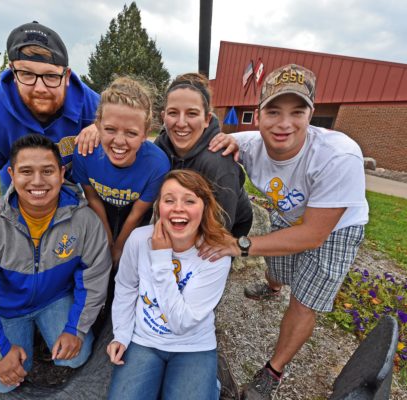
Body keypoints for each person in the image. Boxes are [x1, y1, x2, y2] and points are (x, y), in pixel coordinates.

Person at [211, 64, 369, 399]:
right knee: (278, 266)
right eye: (273, 111)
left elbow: (312, 236)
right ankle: (272, 286)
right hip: (289, 211)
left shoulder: (338, 156)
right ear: (258, 114)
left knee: (303, 301)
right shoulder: (247, 143)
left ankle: (273, 371)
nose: (284, 124)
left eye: (297, 112)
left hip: (336, 225)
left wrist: (239, 245)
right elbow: (204, 140)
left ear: (311, 114)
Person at [0, 134, 112, 393]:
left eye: (47, 171)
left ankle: (42, 333)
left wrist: (75, 328)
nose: (38, 181)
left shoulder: (84, 221)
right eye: (26, 171)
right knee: (3, 384)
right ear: (11, 173)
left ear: (62, 172)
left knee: (76, 355)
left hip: (53, 299)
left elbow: (95, 278)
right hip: (5, 308)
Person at [106, 170, 232, 400]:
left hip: (193, 344)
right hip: (145, 340)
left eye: (189, 201)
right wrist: (121, 335)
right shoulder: (138, 239)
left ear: (204, 207)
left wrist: (162, 258)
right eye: (169, 200)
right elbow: (126, 287)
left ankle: (210, 382)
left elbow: (181, 324)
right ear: (158, 207)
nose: (178, 208)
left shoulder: (216, 255)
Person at [0, 21, 99, 224]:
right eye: (27, 74)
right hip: (21, 189)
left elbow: (123, 124)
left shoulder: (92, 104)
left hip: (70, 186)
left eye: (51, 76)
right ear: (13, 72)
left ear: (67, 75)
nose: (40, 88)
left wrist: (102, 126)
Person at [72, 77, 170, 267]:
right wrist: (108, 240)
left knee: (128, 262)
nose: (119, 141)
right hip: (101, 207)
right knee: (97, 260)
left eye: (131, 133)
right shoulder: (85, 153)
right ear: (98, 125)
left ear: (145, 133)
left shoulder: (157, 165)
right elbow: (92, 197)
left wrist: (119, 247)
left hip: (133, 212)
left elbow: (137, 213)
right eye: (110, 129)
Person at [155, 72, 253, 242]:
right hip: (179, 220)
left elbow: (222, 225)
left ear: (207, 119)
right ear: (164, 116)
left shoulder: (219, 160)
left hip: (222, 229)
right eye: (173, 113)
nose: (181, 122)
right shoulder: (159, 148)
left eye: (192, 114)